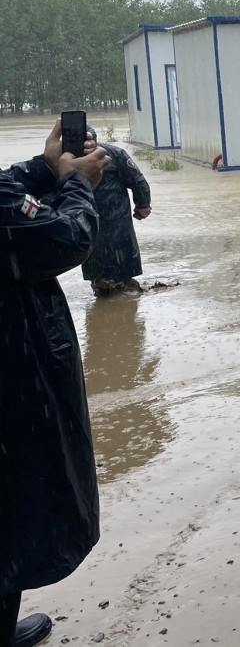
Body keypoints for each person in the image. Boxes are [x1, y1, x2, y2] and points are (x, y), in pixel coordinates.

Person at [2, 120, 111, 647]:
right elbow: (65, 238)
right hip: (12, 374)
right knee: (16, 497)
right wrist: (75, 184)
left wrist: (48, 170)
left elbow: (8, 195)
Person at [81, 126, 152, 296]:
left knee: (119, 266)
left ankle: (121, 293)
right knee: (101, 273)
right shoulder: (67, 160)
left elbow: (137, 181)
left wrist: (143, 205)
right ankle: (108, 291)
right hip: (90, 221)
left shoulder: (114, 154)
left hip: (113, 220)